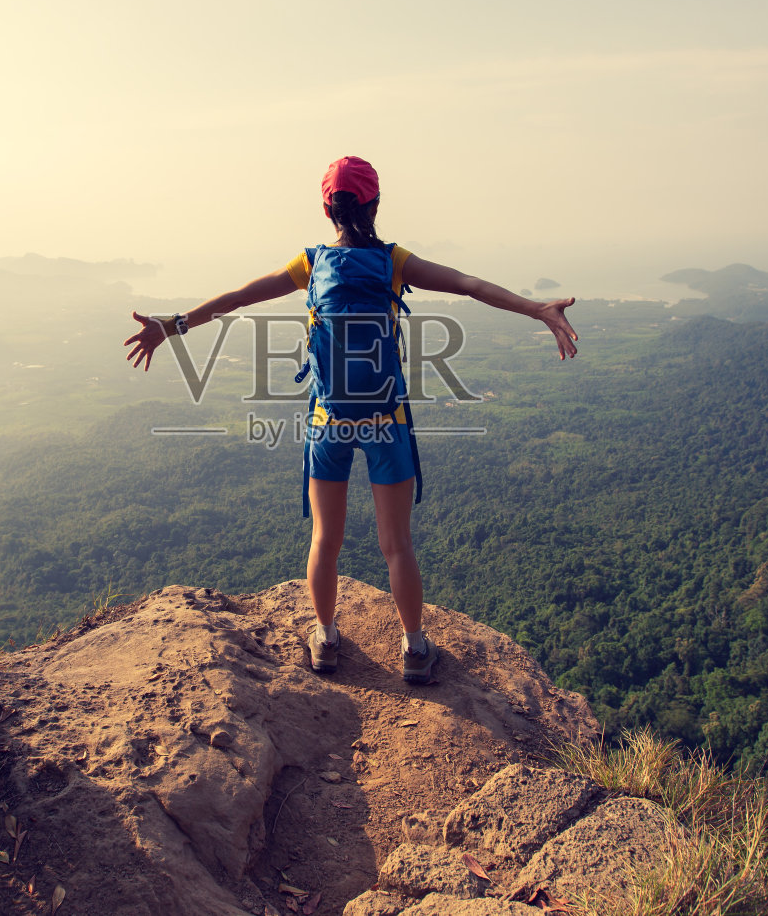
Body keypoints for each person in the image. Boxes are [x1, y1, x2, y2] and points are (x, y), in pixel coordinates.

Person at [123, 156, 578, 685]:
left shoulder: (311, 264)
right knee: (397, 545)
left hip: (328, 419)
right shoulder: (394, 261)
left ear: (326, 208)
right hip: (387, 418)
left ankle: (326, 639)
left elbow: (237, 298)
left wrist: (173, 324)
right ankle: (413, 647)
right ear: (376, 204)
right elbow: (469, 283)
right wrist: (538, 309)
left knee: (325, 539)